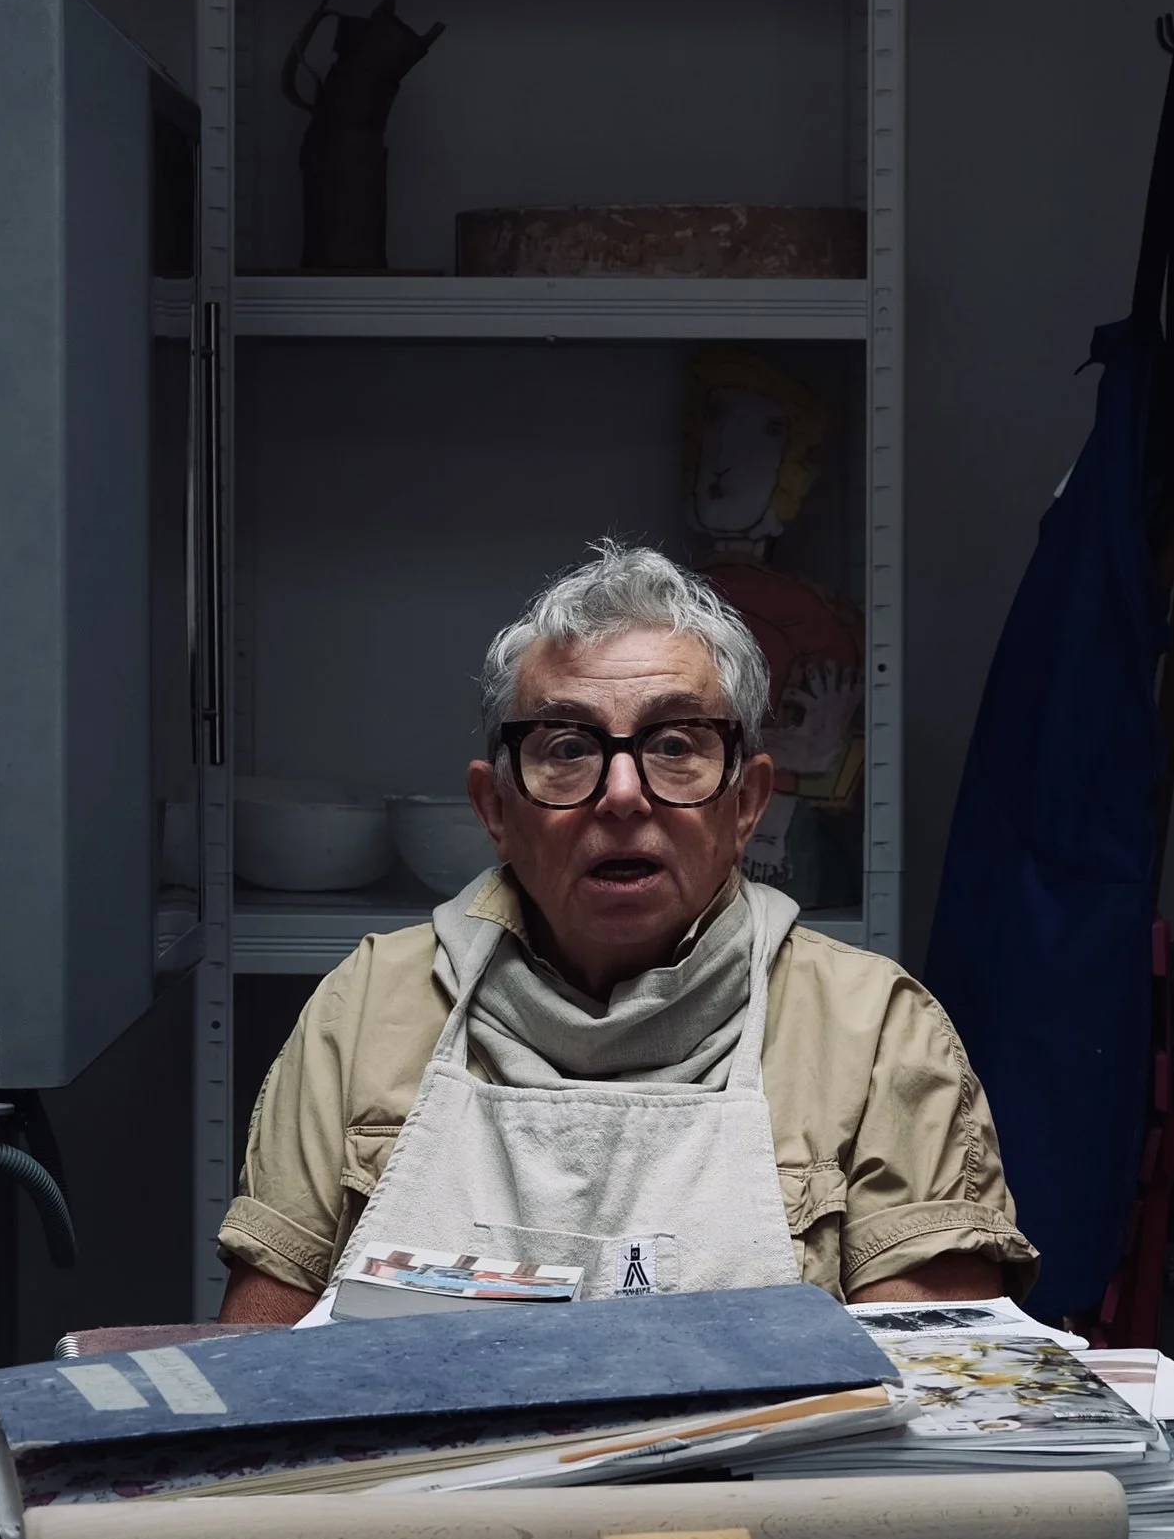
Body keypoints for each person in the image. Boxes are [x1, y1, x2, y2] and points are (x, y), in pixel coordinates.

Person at [217, 541, 1035, 1318]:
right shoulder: (367, 1009)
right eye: (568, 746)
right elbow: (260, 1367)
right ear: (495, 809)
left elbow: (927, 1386)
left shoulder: (875, 1031)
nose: (620, 794)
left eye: (675, 743)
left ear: (747, 804)